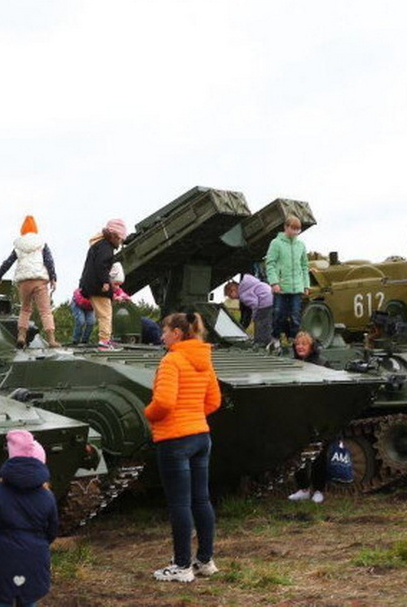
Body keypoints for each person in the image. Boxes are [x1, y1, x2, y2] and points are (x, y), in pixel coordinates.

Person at [144, 312, 222, 583]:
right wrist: (192, 413)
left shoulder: (172, 360)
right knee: (201, 499)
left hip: (174, 438)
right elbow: (214, 401)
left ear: (177, 333)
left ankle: (181, 565)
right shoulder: (203, 359)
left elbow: (163, 402)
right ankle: (205, 560)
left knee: (179, 503)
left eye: (164, 331)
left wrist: (149, 413)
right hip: (201, 435)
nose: (161, 336)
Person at [0, 429, 59, 607]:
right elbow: (52, 530)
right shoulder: (47, 496)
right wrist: (37, 543)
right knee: (29, 600)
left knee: (1, 600)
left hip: (2, 554)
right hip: (35, 555)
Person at [0, 215, 60, 349]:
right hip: (39, 280)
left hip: (24, 282)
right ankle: (51, 340)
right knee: (45, 311)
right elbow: (49, 261)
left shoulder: (18, 245)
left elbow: (8, 262)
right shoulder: (41, 243)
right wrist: (53, 277)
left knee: (25, 310)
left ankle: (21, 337)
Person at [287, 332, 331, 504]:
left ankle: (319, 489)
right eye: (298, 344)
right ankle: (303, 488)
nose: (300, 347)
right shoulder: (292, 363)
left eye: (304, 344)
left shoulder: (322, 363)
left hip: (317, 413)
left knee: (319, 453)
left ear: (311, 346)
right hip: (298, 413)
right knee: (298, 453)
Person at [79, 219, 128, 351]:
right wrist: (105, 281)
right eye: (120, 238)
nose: (120, 242)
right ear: (114, 236)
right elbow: (102, 265)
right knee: (106, 313)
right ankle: (104, 341)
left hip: (91, 284)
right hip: (98, 286)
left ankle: (106, 339)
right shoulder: (106, 247)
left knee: (103, 313)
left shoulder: (98, 244)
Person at [265, 216, 310, 344]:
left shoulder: (301, 245)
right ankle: (275, 337)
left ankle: (293, 338)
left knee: (295, 315)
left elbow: (304, 266)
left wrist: (306, 285)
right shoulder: (276, 243)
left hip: (297, 286)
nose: (295, 232)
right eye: (293, 228)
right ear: (286, 227)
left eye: (298, 230)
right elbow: (270, 264)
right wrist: (274, 282)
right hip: (281, 286)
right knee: (279, 314)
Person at [224, 274, 274, 346]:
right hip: (272, 299)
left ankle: (261, 343)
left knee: (260, 323)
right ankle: (269, 341)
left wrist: (254, 316)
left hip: (264, 303)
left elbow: (255, 304)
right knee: (268, 323)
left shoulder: (243, 295)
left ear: (233, 290)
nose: (232, 298)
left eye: (230, 295)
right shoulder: (248, 285)